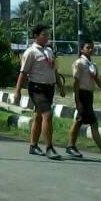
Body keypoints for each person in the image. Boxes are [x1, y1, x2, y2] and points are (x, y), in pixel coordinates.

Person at [13, 24, 65, 160]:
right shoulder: (30, 52)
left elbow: (55, 70)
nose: (47, 37)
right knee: (47, 115)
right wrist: (17, 91)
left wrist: (60, 86)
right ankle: (49, 147)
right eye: (44, 34)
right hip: (37, 88)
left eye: (48, 35)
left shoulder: (49, 51)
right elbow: (23, 73)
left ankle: (33, 145)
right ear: (36, 36)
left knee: (38, 116)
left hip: (49, 87)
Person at [65, 41, 101, 162]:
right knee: (91, 123)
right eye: (88, 47)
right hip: (82, 94)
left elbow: (98, 81)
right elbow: (76, 83)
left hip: (89, 95)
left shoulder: (92, 65)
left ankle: (71, 146)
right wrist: (77, 101)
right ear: (81, 49)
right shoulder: (79, 63)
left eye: (92, 48)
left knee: (79, 121)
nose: (91, 50)